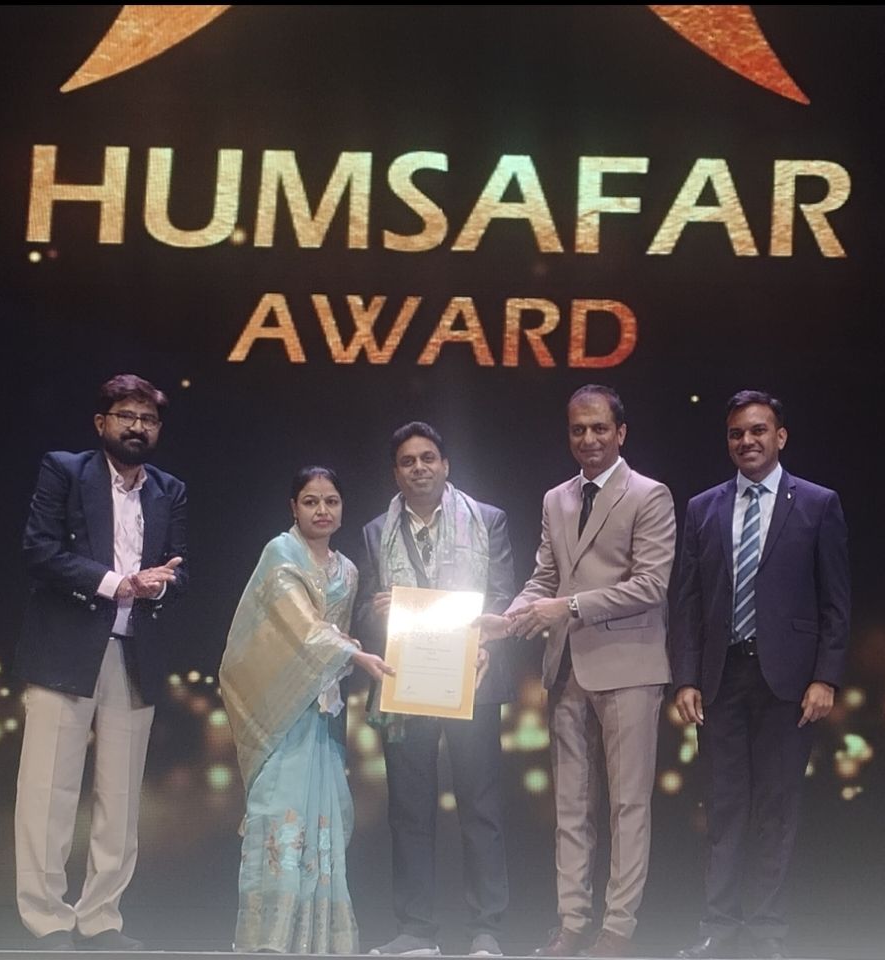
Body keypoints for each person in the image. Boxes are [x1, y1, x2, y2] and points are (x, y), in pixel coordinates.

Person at [479, 384, 676, 959]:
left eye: (599, 428)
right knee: (570, 807)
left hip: (629, 667)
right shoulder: (556, 499)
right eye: (578, 429)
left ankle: (618, 931)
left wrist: (565, 607)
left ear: (621, 432)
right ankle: (571, 923)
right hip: (565, 668)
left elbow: (650, 585)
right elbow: (545, 577)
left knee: (627, 806)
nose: (588, 439)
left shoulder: (649, 495)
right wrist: (508, 619)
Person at [671, 390, 851, 960]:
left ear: (780, 436)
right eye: (736, 433)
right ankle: (719, 928)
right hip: (720, 678)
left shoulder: (817, 503)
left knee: (776, 807)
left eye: (757, 430)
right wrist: (686, 677)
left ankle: (767, 932)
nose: (746, 441)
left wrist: (825, 677)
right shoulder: (703, 507)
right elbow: (687, 601)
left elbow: (836, 601)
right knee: (722, 806)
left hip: (789, 683)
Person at [13, 373, 188, 951]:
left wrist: (159, 585)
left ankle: (100, 918)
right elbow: (40, 550)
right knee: (49, 791)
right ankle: (47, 919)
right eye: (126, 416)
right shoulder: (65, 471)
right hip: (65, 650)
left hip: (133, 654)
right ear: (101, 423)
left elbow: (179, 569)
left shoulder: (170, 490)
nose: (137, 427)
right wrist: (118, 583)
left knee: (121, 800)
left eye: (148, 419)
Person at [355, 421, 515, 958]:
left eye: (428, 458)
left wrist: (488, 641)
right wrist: (378, 612)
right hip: (406, 683)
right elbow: (361, 610)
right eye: (408, 461)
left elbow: (503, 596)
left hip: (473, 678)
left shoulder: (487, 520)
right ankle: (417, 929)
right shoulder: (376, 531)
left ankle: (487, 929)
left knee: (481, 807)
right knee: (409, 809)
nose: (419, 468)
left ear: (446, 465)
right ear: (395, 472)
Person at [220, 466, 393, 953]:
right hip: (282, 708)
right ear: (293, 507)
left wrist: (359, 646)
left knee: (325, 815)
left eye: (331, 501)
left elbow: (337, 632)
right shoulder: (281, 552)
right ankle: (269, 938)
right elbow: (299, 625)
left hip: (324, 711)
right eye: (311, 501)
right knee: (279, 812)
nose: (322, 510)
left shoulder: (348, 571)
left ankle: (318, 939)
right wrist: (354, 653)